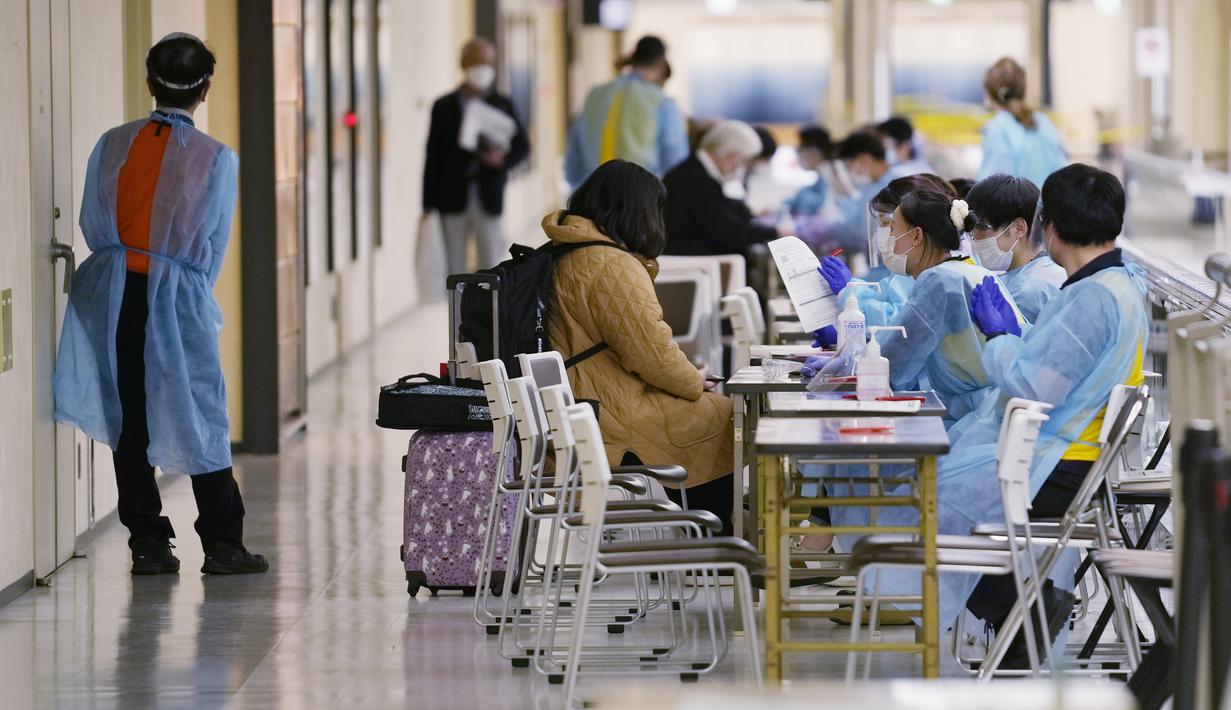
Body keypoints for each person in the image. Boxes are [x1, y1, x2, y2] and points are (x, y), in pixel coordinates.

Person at [53, 33, 266, 576]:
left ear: (149, 82)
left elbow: (91, 220)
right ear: (205, 89)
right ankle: (222, 544)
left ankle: (147, 544)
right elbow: (212, 247)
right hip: (177, 299)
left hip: (111, 292)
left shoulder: (112, 142)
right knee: (200, 411)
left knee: (129, 417)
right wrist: (185, 292)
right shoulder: (216, 159)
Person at [956, 164, 1147, 665]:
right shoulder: (1118, 283)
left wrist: (999, 337)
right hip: (1075, 460)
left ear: (1049, 226)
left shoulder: (1091, 298)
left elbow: (1031, 388)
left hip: (1057, 467)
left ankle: (1026, 612)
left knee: (931, 495)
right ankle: (1018, 611)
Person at [543, 160, 735, 533]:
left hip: (583, 401)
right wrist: (693, 380)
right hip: (607, 411)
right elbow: (652, 354)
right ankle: (708, 535)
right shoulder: (610, 264)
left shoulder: (565, 251)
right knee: (723, 417)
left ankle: (699, 529)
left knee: (709, 413)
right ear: (639, 211)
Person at [828, 191, 1023, 424]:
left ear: (916, 236)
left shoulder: (940, 282)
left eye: (892, 229)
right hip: (988, 407)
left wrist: (843, 368)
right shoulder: (966, 269)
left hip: (976, 417)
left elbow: (895, 361)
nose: (888, 239)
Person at [422, 38, 530, 273]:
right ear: (463, 65)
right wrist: (428, 204)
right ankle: (457, 310)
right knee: (454, 266)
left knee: (491, 264)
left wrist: (502, 161)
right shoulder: (444, 106)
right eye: (476, 62)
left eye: (487, 63)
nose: (482, 69)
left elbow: (523, 146)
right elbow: (433, 156)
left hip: (488, 194)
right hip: (451, 197)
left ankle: (486, 310)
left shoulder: (503, 104)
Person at [564, 36, 689, 191]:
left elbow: (573, 159)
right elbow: (675, 163)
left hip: (593, 194)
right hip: (638, 197)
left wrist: (580, 192)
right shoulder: (662, 102)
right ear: (660, 67)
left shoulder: (596, 95)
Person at [662, 119, 784, 257]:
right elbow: (727, 231)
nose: (739, 167)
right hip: (693, 259)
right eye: (741, 160)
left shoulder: (694, 172)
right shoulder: (695, 179)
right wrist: (775, 232)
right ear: (731, 156)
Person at [965, 173, 1066, 322]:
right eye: (971, 232)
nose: (974, 240)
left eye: (982, 228)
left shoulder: (1026, 291)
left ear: (1018, 228)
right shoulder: (1054, 270)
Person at [793, 132, 914, 255]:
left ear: (864, 160)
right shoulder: (872, 187)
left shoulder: (894, 186)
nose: (849, 173)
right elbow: (853, 215)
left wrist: (820, 228)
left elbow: (858, 229)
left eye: (849, 167)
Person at [977, 57, 1066, 187]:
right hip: (1052, 203)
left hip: (1022, 205)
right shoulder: (1044, 122)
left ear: (990, 93)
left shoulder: (997, 127)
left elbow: (991, 187)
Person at [785, 125, 834, 218]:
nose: (798, 155)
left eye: (799, 149)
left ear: (813, 152)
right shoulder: (820, 181)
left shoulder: (833, 179)